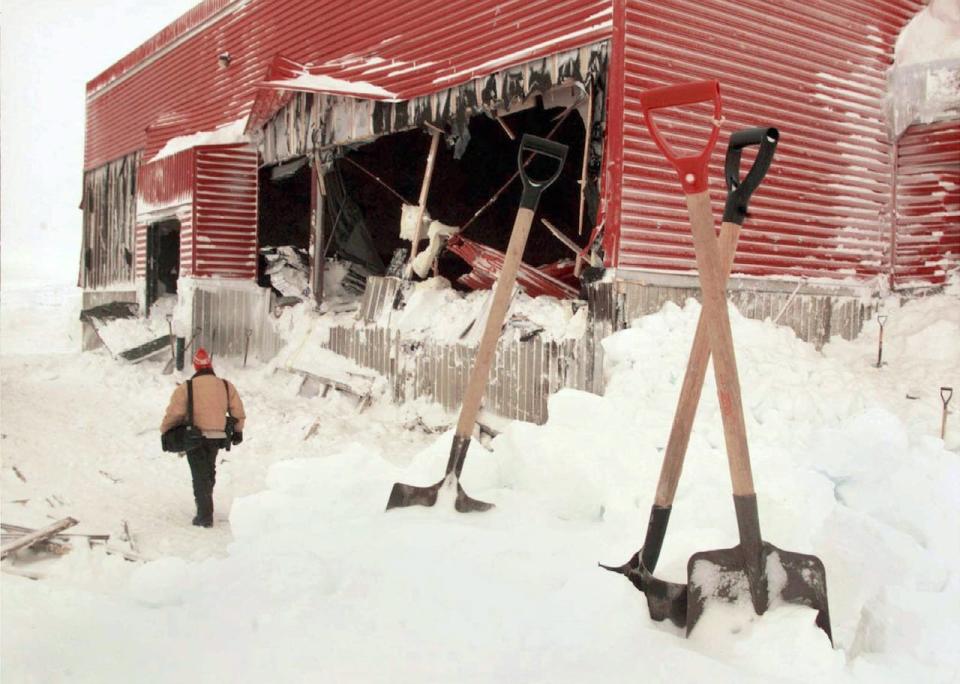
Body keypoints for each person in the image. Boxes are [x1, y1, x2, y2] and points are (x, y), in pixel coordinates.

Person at [160, 348, 246, 527]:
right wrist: (238, 430)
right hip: (217, 436)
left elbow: (174, 413)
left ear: (195, 366)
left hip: (195, 437)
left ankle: (204, 516)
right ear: (210, 365)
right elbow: (238, 411)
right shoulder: (225, 385)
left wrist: (166, 430)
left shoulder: (187, 388)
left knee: (199, 475)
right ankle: (206, 504)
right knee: (208, 471)